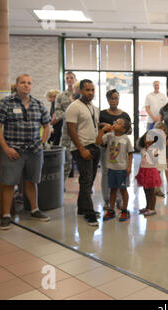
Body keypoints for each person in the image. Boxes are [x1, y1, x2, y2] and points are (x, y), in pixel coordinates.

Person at [0, 74, 52, 230]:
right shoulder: (6, 103)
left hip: (34, 151)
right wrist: (6, 148)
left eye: (29, 83)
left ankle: (34, 210)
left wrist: (43, 142)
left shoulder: (38, 104)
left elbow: (47, 125)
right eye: (23, 82)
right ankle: (6, 215)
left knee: (32, 181)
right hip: (13, 151)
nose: (26, 85)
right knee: (9, 183)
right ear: (17, 85)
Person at [66, 79, 101, 227]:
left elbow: (94, 125)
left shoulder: (93, 107)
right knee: (86, 180)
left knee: (89, 180)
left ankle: (82, 208)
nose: (91, 93)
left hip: (94, 146)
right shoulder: (74, 107)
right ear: (80, 91)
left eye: (92, 90)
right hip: (82, 147)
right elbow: (71, 129)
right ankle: (89, 212)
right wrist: (81, 148)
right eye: (87, 90)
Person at [98, 89, 132, 210]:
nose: (114, 100)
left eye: (116, 98)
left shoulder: (124, 115)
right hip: (106, 150)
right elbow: (98, 132)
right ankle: (107, 201)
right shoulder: (101, 114)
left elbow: (129, 130)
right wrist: (105, 129)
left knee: (120, 173)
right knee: (106, 174)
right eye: (112, 98)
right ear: (107, 99)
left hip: (120, 151)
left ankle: (119, 200)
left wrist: (117, 129)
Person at [95, 118, 133, 222]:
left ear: (123, 129)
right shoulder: (109, 136)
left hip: (122, 169)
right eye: (115, 122)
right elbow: (98, 142)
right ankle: (111, 210)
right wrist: (102, 130)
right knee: (112, 190)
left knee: (123, 190)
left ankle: (124, 210)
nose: (114, 123)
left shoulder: (126, 139)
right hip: (111, 169)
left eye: (118, 123)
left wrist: (129, 167)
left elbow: (130, 153)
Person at [54, 72, 77, 182]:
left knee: (83, 159)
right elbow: (58, 112)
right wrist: (69, 116)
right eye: (67, 78)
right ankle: (61, 184)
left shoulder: (80, 95)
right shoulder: (60, 96)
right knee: (65, 159)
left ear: (75, 79)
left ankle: (87, 186)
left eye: (71, 78)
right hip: (67, 131)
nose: (69, 80)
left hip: (80, 130)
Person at [135, 131, 163, 217]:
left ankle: (152, 208)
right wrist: (139, 172)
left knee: (151, 191)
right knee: (146, 190)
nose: (147, 140)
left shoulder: (155, 149)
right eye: (145, 138)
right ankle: (147, 206)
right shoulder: (143, 149)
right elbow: (142, 161)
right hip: (143, 171)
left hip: (151, 172)